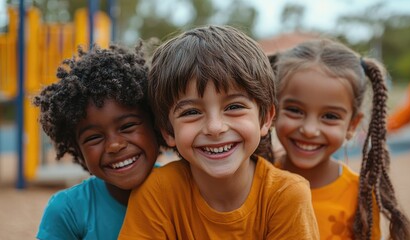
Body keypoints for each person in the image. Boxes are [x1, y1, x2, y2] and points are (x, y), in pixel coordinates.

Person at [119, 25, 319, 239]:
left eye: (234, 107)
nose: (215, 127)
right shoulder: (157, 192)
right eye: (192, 112)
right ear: (168, 131)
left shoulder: (285, 195)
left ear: (265, 118)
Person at [271, 38, 410, 240]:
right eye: (295, 110)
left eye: (330, 116)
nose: (310, 130)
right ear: (272, 110)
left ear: (352, 125)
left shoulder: (360, 196)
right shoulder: (257, 181)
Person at [34, 41, 160, 240]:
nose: (114, 145)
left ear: (155, 123)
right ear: (77, 148)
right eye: (93, 137)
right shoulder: (68, 211)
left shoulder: (185, 189)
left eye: (127, 126)